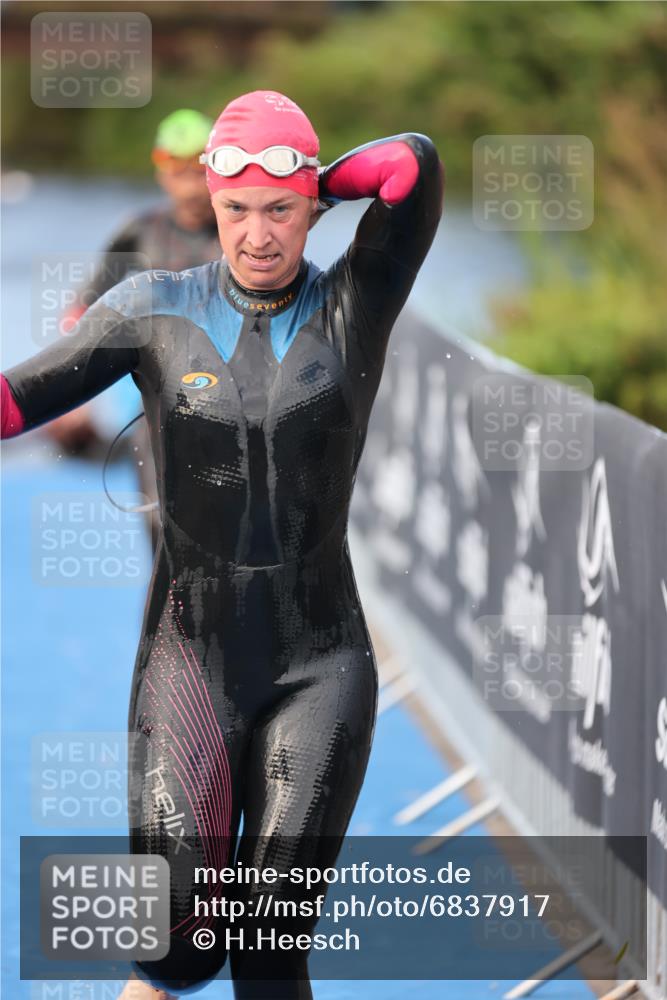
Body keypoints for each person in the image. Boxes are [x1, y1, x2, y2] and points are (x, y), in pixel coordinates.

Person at [1, 90, 443, 998]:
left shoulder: (356, 303)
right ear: (209, 198)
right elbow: (18, 398)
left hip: (319, 663)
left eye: (281, 210)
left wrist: (300, 169)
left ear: (313, 207)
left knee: (270, 945)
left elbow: (411, 165)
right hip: (188, 662)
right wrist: (265, 172)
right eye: (236, 208)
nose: (257, 234)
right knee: (179, 947)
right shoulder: (150, 308)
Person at [47, 108, 220, 548]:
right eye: (175, 167)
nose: (187, 180)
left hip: (228, 402)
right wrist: (72, 397)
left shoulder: (239, 230)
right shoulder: (141, 233)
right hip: (155, 404)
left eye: (196, 167)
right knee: (163, 533)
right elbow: (83, 311)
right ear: (160, 168)